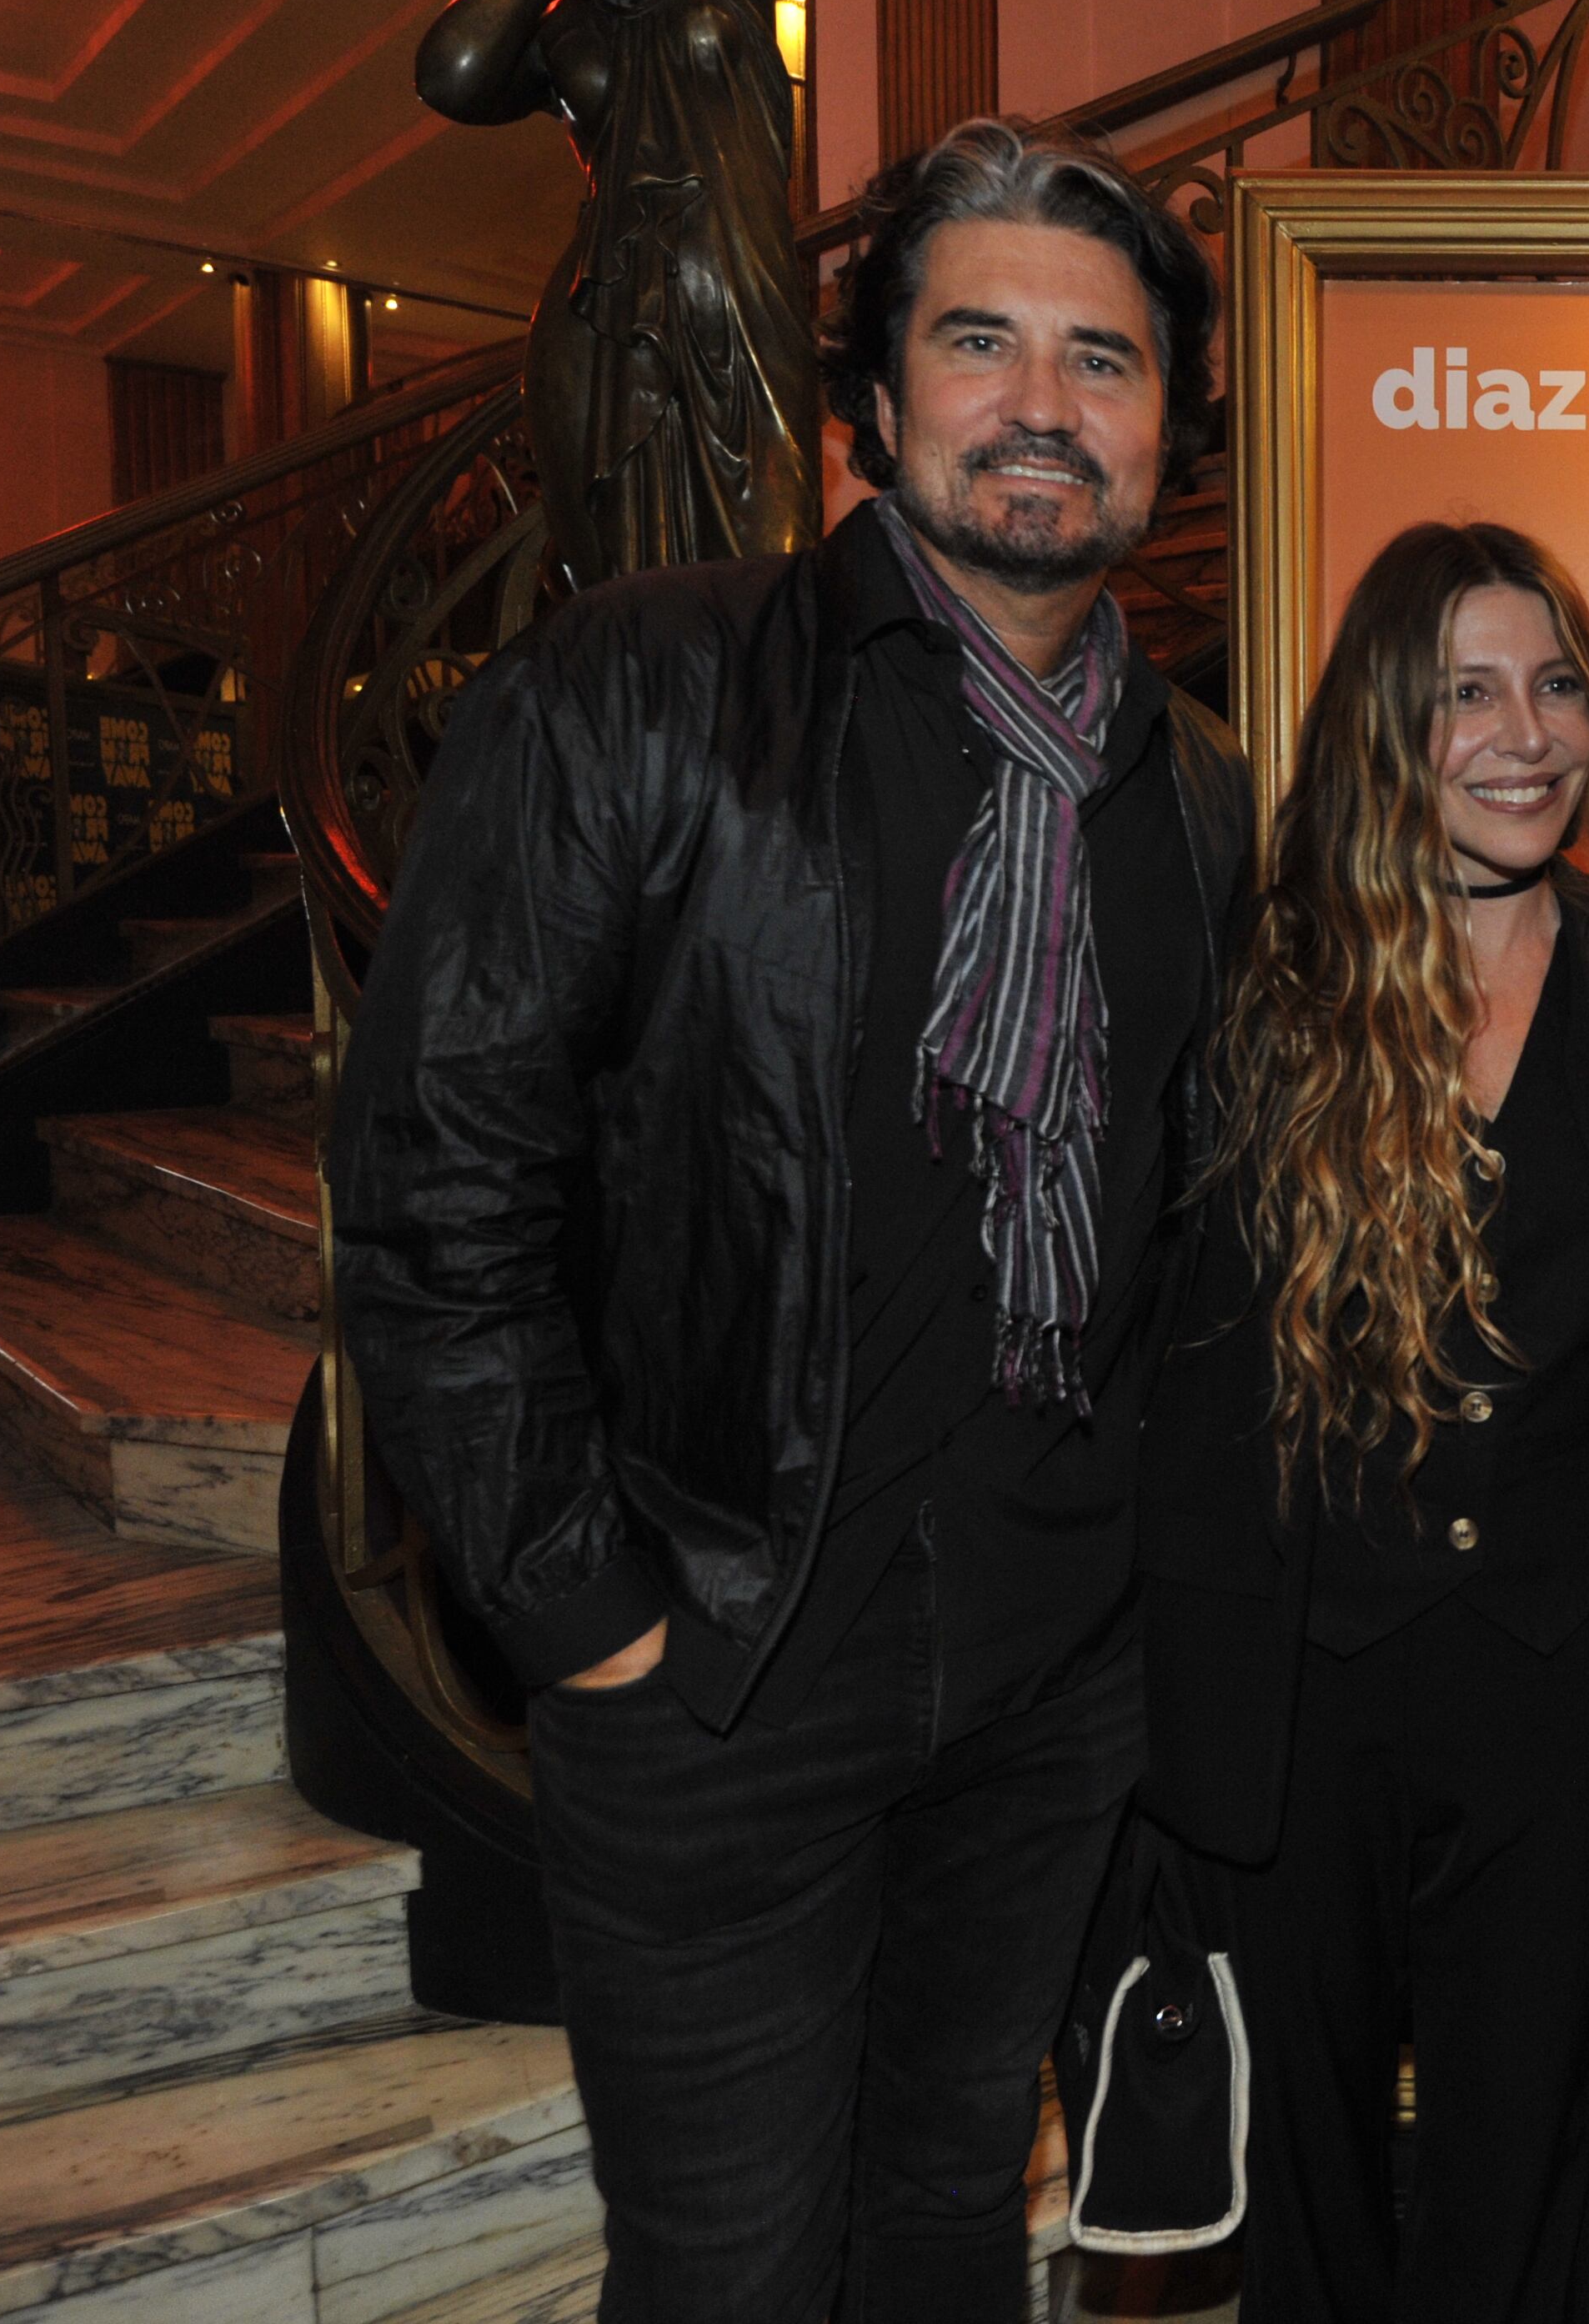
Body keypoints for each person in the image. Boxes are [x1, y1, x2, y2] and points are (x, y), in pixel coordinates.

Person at [328, 124, 1244, 2323]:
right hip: (720, 1665)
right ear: (875, 397)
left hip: (1045, 1687)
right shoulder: (641, 687)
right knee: (728, 2270)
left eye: (1105, 360)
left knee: (941, 2220)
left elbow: (1184, 1216)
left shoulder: (1197, 785)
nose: (1045, 403)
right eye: (982, 339)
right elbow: (438, 1185)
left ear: (1173, 430)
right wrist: (591, 1622)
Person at [1135, 521, 1589, 2321]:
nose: (1525, 732)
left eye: (1555, 686)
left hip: (1550, 1683)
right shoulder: (1256, 980)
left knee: (1521, 2166)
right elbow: (1153, 1343)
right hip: (1300, 1676)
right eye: (1468, 690)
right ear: (1390, 717)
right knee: (1298, 2178)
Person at [419, 0, 822, 583]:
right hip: (599, 313)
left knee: (773, 581)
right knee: (616, 601)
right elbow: (449, 75)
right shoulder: (568, 23)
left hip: (741, 283)